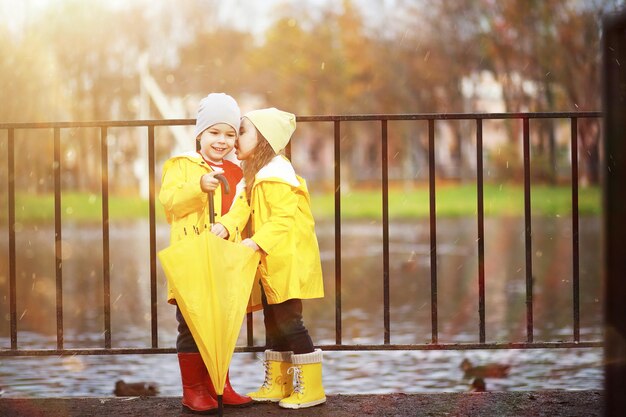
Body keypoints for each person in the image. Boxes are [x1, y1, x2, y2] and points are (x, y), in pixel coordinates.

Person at [211, 107, 326, 409]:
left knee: (291, 322)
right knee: (273, 323)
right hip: (270, 261)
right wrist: (225, 226)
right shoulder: (254, 177)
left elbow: (282, 219)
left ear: (264, 139)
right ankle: (279, 383)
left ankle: (312, 388)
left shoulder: (276, 176)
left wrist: (254, 242)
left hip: (286, 260)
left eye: (243, 132)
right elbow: (241, 208)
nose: (235, 139)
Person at [159, 93, 253, 414]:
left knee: (223, 322)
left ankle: (220, 385)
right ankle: (194, 390)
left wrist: (227, 225)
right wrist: (199, 185)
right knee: (191, 323)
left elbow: (243, 208)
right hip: (191, 258)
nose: (222, 141)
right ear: (200, 134)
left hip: (225, 258)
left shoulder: (239, 171)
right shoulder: (181, 166)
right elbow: (170, 203)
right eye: (214, 132)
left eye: (230, 134)